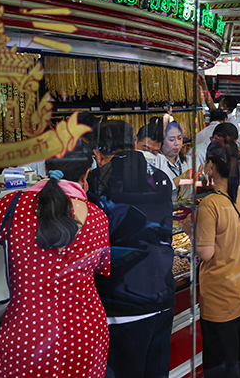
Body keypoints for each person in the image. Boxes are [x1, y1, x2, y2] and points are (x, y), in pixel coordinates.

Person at [0, 143, 110, 378]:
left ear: (46, 166)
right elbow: (101, 270)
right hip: (85, 334)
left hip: (26, 334)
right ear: (86, 174)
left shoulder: (9, 206)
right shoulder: (98, 218)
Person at [88, 120, 175, 378]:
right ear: (134, 143)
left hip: (123, 300)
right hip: (162, 293)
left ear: (98, 152)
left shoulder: (96, 181)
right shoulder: (159, 177)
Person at [188, 140, 240, 378]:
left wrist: (193, 232)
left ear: (210, 166)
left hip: (221, 298)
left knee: (223, 363)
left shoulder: (210, 204)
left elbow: (206, 253)